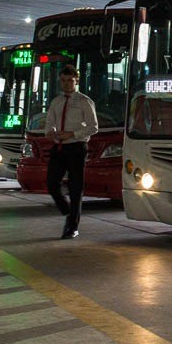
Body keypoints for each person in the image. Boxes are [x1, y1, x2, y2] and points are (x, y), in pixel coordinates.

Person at [45, 64, 98, 239]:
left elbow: (93, 127)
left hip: (76, 147)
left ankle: (72, 226)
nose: (66, 84)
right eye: (63, 81)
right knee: (52, 183)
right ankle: (67, 210)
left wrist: (72, 134)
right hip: (59, 147)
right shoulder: (56, 102)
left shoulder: (84, 101)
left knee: (76, 188)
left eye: (70, 81)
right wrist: (51, 133)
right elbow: (49, 124)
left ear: (76, 81)